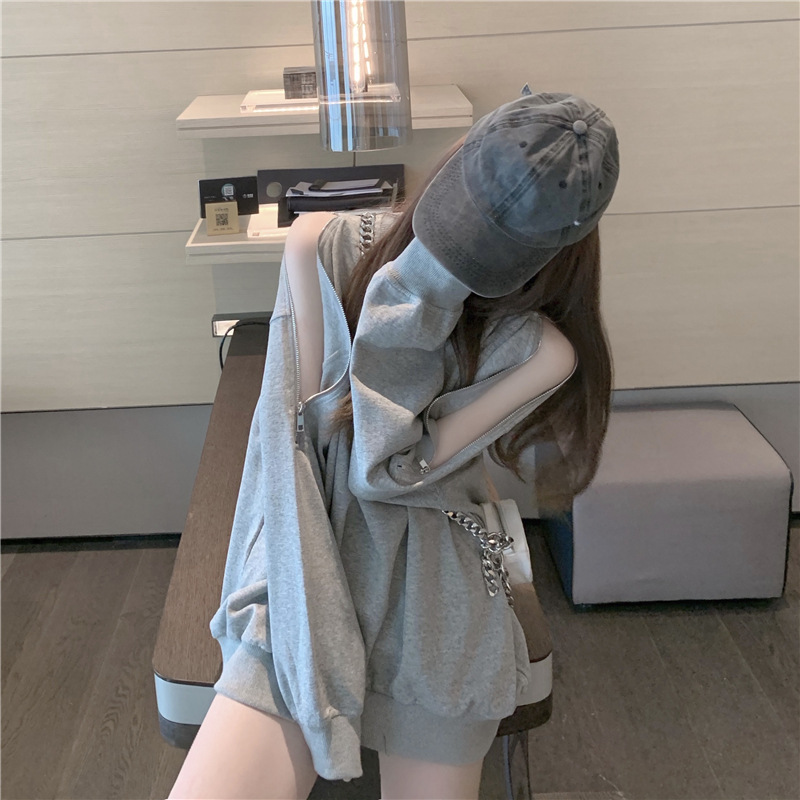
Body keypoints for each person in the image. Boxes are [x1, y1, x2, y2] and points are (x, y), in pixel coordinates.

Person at [168, 91, 619, 800]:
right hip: (311, 548)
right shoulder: (320, 244)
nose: (451, 253)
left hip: (433, 589)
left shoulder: (539, 351)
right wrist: (303, 617)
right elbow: (301, 449)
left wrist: (424, 290)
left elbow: (385, 469)